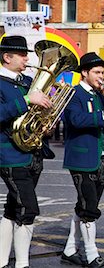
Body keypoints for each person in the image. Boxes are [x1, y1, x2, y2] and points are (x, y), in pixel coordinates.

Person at [60, 52, 104, 268]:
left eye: (103, 72)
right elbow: (76, 120)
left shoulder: (100, 95)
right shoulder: (73, 94)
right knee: (89, 207)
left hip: (103, 156)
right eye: (97, 72)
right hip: (81, 157)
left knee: (86, 203)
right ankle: (91, 254)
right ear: (85, 73)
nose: (101, 76)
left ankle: (70, 249)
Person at [0, 36, 52, 268]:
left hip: (31, 153)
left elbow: (34, 116)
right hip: (9, 153)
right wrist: (26, 100)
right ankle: (22, 264)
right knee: (27, 208)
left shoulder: (27, 81)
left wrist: (45, 124)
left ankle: (1, 261)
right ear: (6, 57)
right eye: (22, 55)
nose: (27, 59)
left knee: (13, 208)